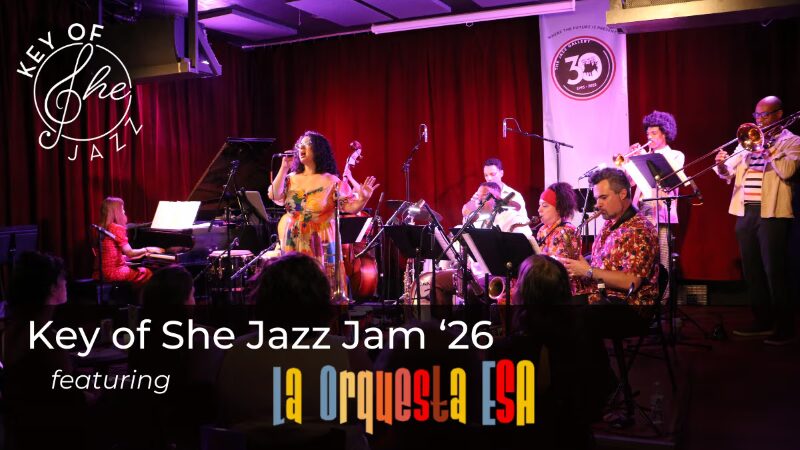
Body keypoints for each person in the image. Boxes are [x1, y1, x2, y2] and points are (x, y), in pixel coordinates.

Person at [714, 95, 800, 345]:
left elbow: (787, 171)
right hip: (746, 211)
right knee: (752, 270)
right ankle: (762, 321)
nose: (759, 120)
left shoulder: (792, 141)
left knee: (775, 271)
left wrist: (766, 148)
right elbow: (727, 172)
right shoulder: (746, 142)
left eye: (764, 115)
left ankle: (784, 327)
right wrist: (721, 164)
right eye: (757, 115)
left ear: (778, 115)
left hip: (772, 213)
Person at [4, 251, 88, 450]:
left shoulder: (13, 328)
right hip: (54, 430)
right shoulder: (45, 337)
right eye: (62, 278)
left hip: (26, 430)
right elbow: (69, 396)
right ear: (51, 288)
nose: (66, 283)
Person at [268, 131, 378, 265]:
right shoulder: (290, 178)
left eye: (307, 144)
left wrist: (363, 199)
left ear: (318, 150)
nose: (301, 147)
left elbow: (350, 208)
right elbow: (274, 195)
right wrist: (284, 168)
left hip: (321, 242)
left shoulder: (331, 181)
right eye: (300, 145)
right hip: (293, 241)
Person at [562, 168, 659, 305]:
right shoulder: (611, 222)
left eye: (604, 197)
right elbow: (603, 260)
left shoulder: (639, 230)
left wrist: (587, 271)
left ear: (623, 194)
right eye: (597, 198)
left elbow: (631, 281)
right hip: (600, 295)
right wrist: (576, 263)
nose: (598, 204)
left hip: (624, 305)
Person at [431, 181, 532, 305]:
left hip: (498, 275)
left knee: (470, 290)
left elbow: (524, 246)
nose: (479, 201)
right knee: (436, 280)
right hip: (474, 273)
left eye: (484, 196)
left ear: (497, 198)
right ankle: (443, 317)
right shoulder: (479, 220)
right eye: (478, 197)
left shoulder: (512, 218)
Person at [630, 111, 686, 282]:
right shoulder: (641, 156)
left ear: (665, 134)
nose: (649, 137)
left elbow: (667, 180)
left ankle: (664, 295)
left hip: (660, 211)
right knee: (641, 257)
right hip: (640, 210)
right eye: (648, 134)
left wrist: (644, 158)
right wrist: (630, 162)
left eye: (654, 133)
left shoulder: (676, 155)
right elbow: (630, 182)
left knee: (662, 259)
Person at [536, 182, 593, 300]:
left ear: (559, 209)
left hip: (566, 291)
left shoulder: (567, 231)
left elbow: (561, 270)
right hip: (547, 284)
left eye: (545, 206)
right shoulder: (542, 229)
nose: (539, 210)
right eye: (539, 205)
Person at [94, 196, 163, 286]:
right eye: (122, 209)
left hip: (100, 273)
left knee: (137, 272)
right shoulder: (116, 228)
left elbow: (111, 255)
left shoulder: (102, 228)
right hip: (114, 273)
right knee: (147, 272)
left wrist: (142, 254)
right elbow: (130, 253)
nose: (124, 211)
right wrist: (148, 249)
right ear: (116, 211)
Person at [462, 157, 529, 219]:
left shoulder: (516, 195)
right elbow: (466, 216)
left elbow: (523, 220)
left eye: (493, 174)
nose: (489, 178)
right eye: (486, 175)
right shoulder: (480, 193)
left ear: (501, 173)